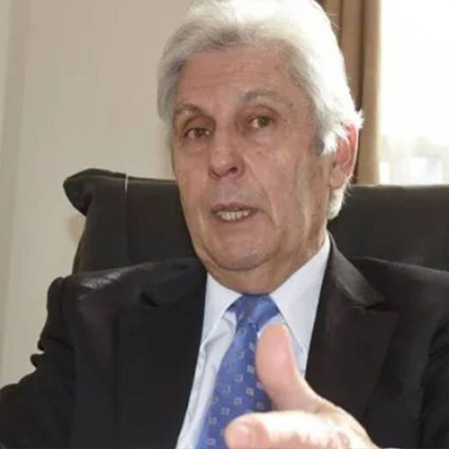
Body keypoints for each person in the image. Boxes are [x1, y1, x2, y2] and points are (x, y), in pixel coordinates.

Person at [1, 0, 449, 448]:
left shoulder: (432, 332)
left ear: (339, 155)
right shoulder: (94, 323)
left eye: (259, 121)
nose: (220, 160)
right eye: (197, 130)